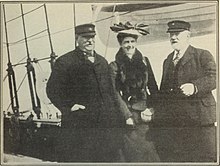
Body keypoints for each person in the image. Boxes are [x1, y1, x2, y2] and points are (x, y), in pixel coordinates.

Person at [46, 23, 124, 162]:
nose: (90, 41)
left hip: (103, 126)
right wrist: (68, 107)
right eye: (85, 37)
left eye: (92, 37)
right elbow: (52, 90)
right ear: (77, 38)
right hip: (79, 126)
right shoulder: (65, 61)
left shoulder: (102, 61)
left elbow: (110, 92)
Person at [153, 20, 217, 162]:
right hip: (178, 123)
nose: (173, 37)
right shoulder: (168, 60)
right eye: (171, 34)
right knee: (182, 158)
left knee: (205, 158)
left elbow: (214, 78)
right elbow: (164, 90)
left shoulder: (202, 55)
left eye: (177, 34)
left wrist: (195, 87)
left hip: (201, 121)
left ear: (187, 36)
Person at [109, 22, 160, 162]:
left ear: (136, 43)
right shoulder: (114, 66)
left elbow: (153, 87)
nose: (129, 45)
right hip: (129, 115)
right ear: (120, 44)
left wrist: (152, 108)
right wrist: (126, 116)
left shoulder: (144, 61)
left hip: (146, 114)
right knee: (132, 154)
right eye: (126, 42)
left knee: (151, 154)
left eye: (132, 41)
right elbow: (114, 93)